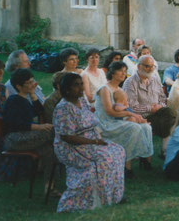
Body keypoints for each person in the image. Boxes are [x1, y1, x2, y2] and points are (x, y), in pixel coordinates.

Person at [53, 73, 125, 212]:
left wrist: (97, 139)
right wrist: (94, 141)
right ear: (67, 89)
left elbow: (91, 121)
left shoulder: (83, 101)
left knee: (119, 151)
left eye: (81, 84)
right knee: (105, 158)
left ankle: (113, 196)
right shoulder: (63, 108)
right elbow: (67, 137)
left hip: (90, 141)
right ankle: (89, 200)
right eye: (76, 85)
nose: (81, 88)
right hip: (71, 147)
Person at [94, 61, 154, 178]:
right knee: (134, 128)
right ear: (112, 72)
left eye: (125, 71)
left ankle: (146, 159)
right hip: (106, 123)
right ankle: (127, 165)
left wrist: (136, 117)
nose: (123, 73)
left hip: (118, 120)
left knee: (146, 127)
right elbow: (109, 111)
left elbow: (126, 109)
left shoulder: (120, 90)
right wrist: (129, 115)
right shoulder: (105, 89)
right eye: (120, 70)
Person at [2, 68, 56, 193]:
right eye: (29, 83)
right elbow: (16, 124)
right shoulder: (13, 100)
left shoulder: (25, 100)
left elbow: (40, 111)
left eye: (33, 81)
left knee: (49, 151)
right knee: (54, 133)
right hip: (14, 139)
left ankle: (50, 186)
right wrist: (39, 127)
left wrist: (32, 94)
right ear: (18, 86)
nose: (33, 84)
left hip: (27, 137)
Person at [123, 55, 176, 139]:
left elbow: (163, 98)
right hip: (141, 116)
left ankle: (166, 145)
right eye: (147, 66)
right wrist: (150, 108)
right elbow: (131, 106)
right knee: (168, 121)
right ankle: (165, 147)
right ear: (138, 66)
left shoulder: (155, 79)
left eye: (152, 66)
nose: (151, 69)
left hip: (158, 112)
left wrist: (160, 106)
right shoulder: (130, 82)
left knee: (170, 113)